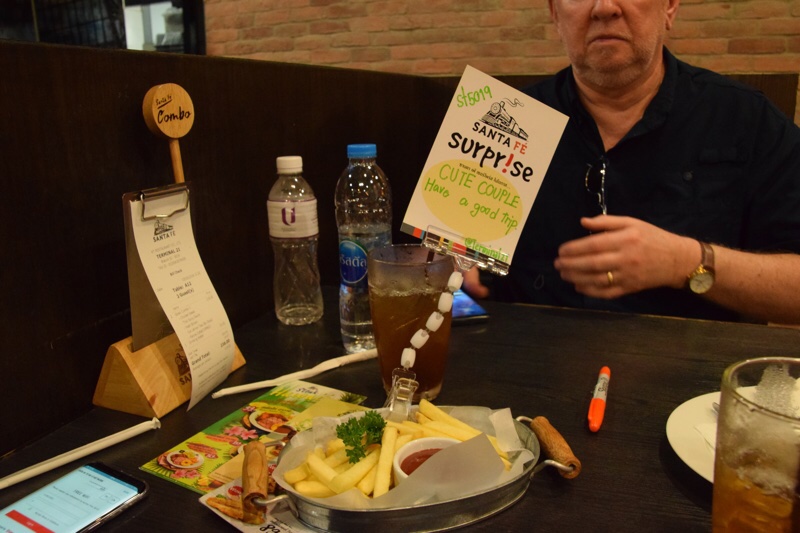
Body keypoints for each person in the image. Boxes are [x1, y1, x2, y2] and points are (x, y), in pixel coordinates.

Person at [463, 0, 800, 324]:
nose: (604, 7)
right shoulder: (501, 121)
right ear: (555, 13)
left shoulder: (745, 119)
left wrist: (685, 262)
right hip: (525, 354)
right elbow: (451, 258)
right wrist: (452, 266)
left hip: (690, 360)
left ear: (670, 6)